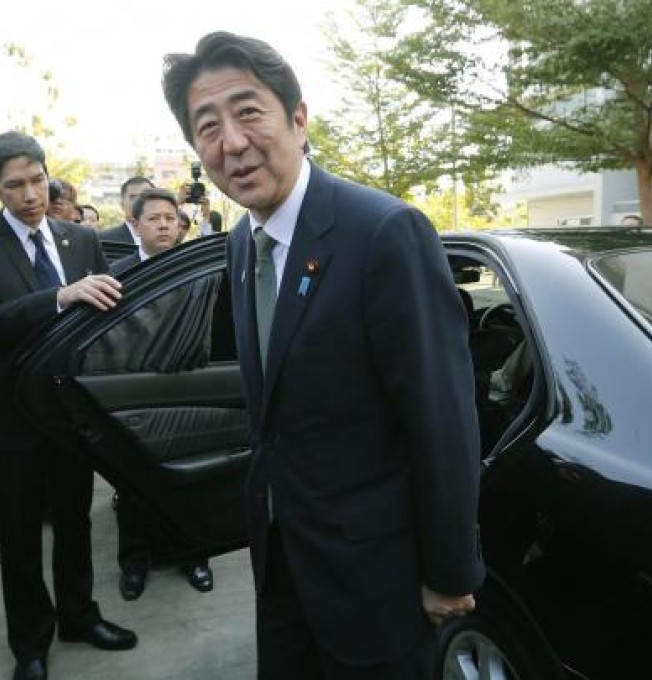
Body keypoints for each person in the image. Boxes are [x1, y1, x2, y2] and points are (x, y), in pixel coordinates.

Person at [162, 32, 485, 678]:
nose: (232, 143)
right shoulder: (241, 243)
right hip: (283, 562)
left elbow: (442, 421)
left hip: (376, 579)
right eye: (208, 127)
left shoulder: (384, 232)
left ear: (298, 118)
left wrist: (450, 573)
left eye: (249, 112)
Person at [0, 131, 136, 680]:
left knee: (75, 523)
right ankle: (30, 643)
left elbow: (108, 319)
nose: (30, 194)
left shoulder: (81, 239)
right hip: (9, 417)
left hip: (71, 412)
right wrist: (59, 297)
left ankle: (80, 616)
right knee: (21, 534)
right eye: (15, 185)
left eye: (37, 180)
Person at [109, 187, 216, 599]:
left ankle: (195, 556)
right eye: (154, 219)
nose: (165, 226)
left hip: (188, 387)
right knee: (133, 484)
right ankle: (135, 563)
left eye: (171, 218)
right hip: (133, 391)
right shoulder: (117, 275)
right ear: (135, 226)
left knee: (191, 480)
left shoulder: (196, 267)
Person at [97, 176, 153, 244]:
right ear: (122, 205)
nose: (139, 202)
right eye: (133, 198)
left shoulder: (164, 239)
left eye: (145, 196)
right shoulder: (103, 239)